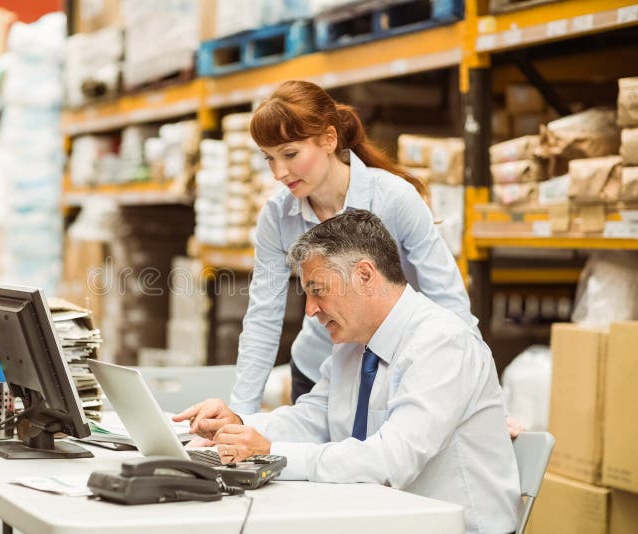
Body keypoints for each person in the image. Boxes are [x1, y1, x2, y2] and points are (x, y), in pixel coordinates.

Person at [175, 211, 520, 534]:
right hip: (386, 517)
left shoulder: (442, 344)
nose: (310, 310)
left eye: (317, 291)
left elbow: (389, 461)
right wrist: (239, 427)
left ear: (365, 275)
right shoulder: (353, 345)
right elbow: (314, 418)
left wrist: (272, 453)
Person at [231, 79, 479, 413]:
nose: (279, 172)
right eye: (269, 159)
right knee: (317, 462)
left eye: (290, 154)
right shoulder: (278, 216)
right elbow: (263, 318)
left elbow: (448, 298)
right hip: (318, 370)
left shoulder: (393, 198)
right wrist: (241, 416)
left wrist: (479, 395)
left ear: (329, 140)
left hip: (400, 364)